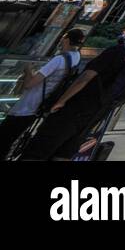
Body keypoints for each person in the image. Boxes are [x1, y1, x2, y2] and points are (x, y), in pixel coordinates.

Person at [20, 23, 125, 161]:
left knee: (39, 149)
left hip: (76, 106)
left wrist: (61, 101)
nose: (123, 31)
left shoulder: (116, 51)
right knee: (64, 152)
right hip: (97, 112)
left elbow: (85, 77)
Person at [0, 29, 85, 160]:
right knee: (11, 140)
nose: (61, 39)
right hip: (41, 105)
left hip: (26, 106)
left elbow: (29, 84)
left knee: (4, 139)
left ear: (67, 39)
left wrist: (28, 70)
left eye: (63, 37)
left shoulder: (59, 59)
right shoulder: (77, 57)